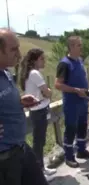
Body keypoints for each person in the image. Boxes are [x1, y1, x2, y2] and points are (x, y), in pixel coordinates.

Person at [0, 28, 48, 185]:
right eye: (13, 49)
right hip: (5, 160)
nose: (19, 54)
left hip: (21, 147)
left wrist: (19, 102)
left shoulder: (6, 73)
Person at [54, 35, 89, 168]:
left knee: (82, 126)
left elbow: (82, 79)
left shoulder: (80, 61)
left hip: (82, 101)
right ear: (71, 46)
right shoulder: (64, 64)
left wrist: (88, 95)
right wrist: (75, 90)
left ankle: (81, 150)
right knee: (71, 128)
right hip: (71, 103)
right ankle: (69, 156)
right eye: (79, 45)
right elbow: (58, 84)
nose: (81, 47)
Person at [19, 48, 57, 181]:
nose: (44, 61)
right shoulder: (35, 73)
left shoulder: (30, 73)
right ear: (35, 61)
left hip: (38, 110)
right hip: (39, 110)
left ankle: (42, 168)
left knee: (39, 141)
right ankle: (40, 171)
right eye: (42, 58)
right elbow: (47, 92)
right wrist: (49, 91)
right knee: (38, 142)